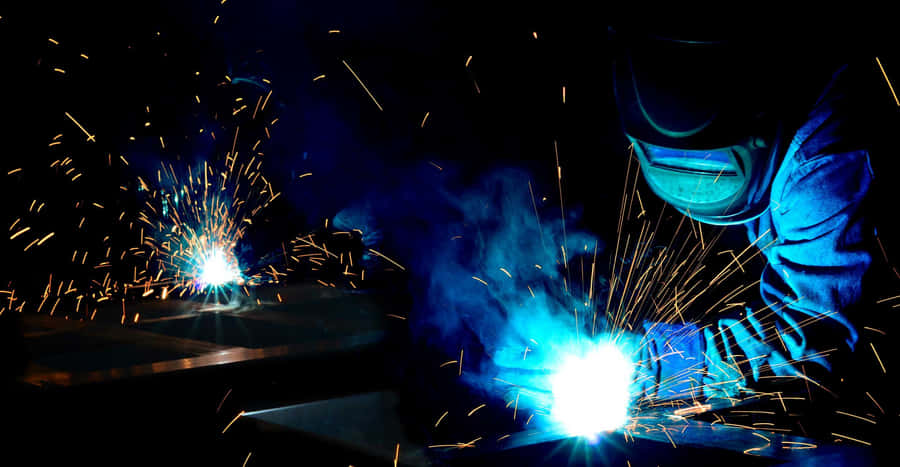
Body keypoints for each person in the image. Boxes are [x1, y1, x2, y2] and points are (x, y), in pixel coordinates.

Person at [612, 26, 897, 403]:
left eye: (710, 160)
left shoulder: (824, 169)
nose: (696, 178)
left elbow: (812, 337)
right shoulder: (646, 103)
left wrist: (662, 364)